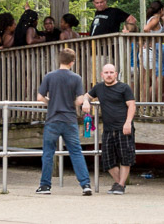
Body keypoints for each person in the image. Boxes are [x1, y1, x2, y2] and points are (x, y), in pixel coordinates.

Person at [36, 48, 92, 196]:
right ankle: (85, 184)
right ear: (72, 62)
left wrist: (51, 103)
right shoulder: (76, 78)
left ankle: (45, 186)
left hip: (53, 119)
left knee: (48, 153)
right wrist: (70, 104)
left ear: (59, 60)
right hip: (69, 120)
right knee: (76, 152)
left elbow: (40, 97)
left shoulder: (49, 76)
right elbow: (80, 100)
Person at [88, 63, 136, 195]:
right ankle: (120, 183)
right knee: (107, 159)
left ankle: (120, 185)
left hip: (123, 127)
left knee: (126, 157)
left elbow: (131, 105)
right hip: (108, 129)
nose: (109, 75)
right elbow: (86, 96)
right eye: (106, 72)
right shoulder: (98, 87)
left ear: (116, 74)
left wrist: (128, 122)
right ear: (102, 75)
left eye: (111, 72)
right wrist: (86, 102)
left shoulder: (124, 87)